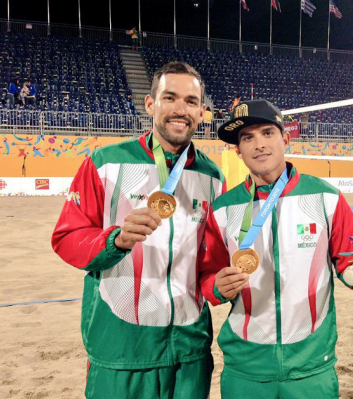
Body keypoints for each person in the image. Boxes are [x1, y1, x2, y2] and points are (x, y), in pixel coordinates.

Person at [198, 99, 353, 399]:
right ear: (237, 150)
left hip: (311, 366)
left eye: (267, 133)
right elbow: (207, 275)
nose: (259, 144)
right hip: (246, 368)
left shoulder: (326, 198)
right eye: (247, 137)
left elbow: (349, 264)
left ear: (285, 138)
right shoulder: (223, 209)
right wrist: (216, 287)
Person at [51, 61, 225, 399]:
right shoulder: (106, 162)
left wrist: (219, 284)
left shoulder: (213, 176)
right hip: (122, 348)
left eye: (191, 102)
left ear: (202, 111)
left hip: (189, 350)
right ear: (150, 104)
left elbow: (210, 258)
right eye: (170, 98)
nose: (180, 109)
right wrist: (113, 240)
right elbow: (66, 237)